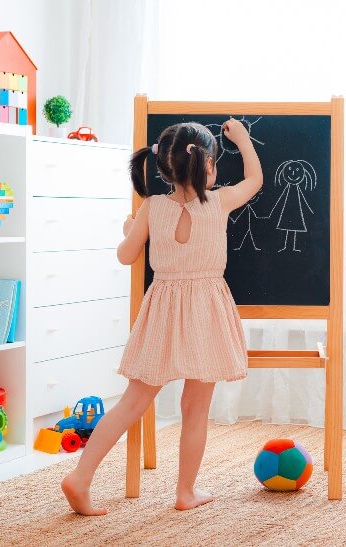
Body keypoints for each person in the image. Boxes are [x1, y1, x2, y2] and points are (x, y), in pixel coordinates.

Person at [61, 119, 263, 515]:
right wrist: (242, 139)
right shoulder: (219, 201)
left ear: (164, 167)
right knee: (196, 407)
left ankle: (80, 477)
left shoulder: (152, 208)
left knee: (132, 402)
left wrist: (130, 229)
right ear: (208, 167)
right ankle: (185, 492)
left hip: (163, 310)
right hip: (206, 308)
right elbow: (254, 179)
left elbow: (125, 256)